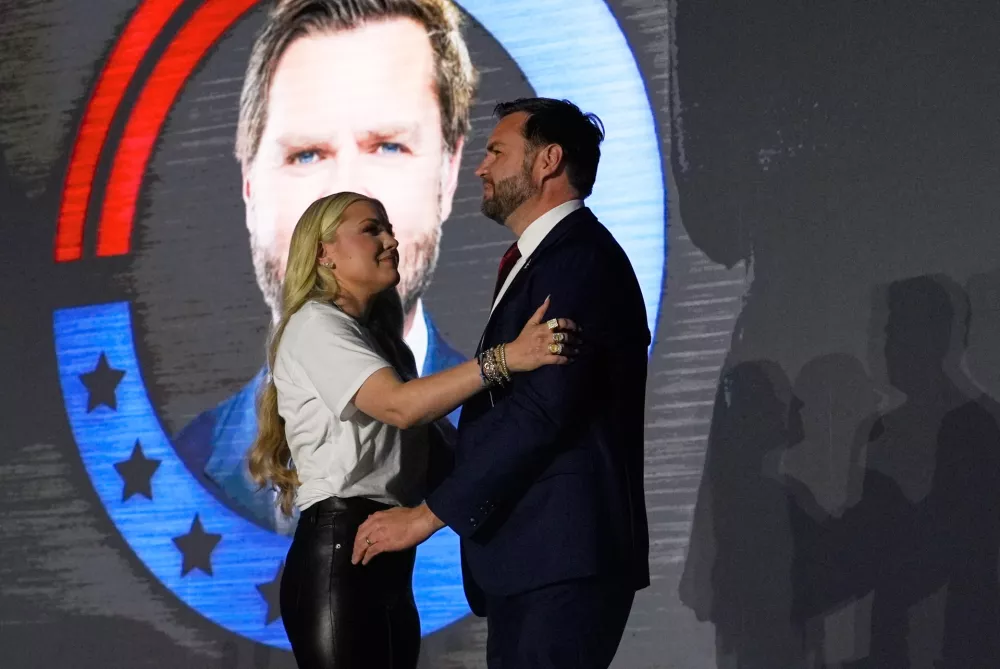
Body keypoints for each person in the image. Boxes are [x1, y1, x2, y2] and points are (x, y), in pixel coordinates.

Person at [351, 98, 651, 669]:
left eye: (496, 152)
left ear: (547, 162)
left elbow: (543, 413)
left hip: (560, 558)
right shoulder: (540, 260)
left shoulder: (577, 262)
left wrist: (425, 517)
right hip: (532, 558)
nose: (481, 168)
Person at [172, 0, 478, 532]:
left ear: (448, 174)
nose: (349, 192)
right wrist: (503, 362)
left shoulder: (488, 427)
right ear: (249, 187)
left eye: (387, 146)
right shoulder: (189, 463)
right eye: (307, 154)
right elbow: (400, 407)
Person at [248, 191, 578, 669]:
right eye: (371, 230)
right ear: (325, 253)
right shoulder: (314, 325)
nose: (391, 239)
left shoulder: (385, 348)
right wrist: (507, 358)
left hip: (386, 564)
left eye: (388, 228)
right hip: (341, 558)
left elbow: (447, 453)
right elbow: (402, 408)